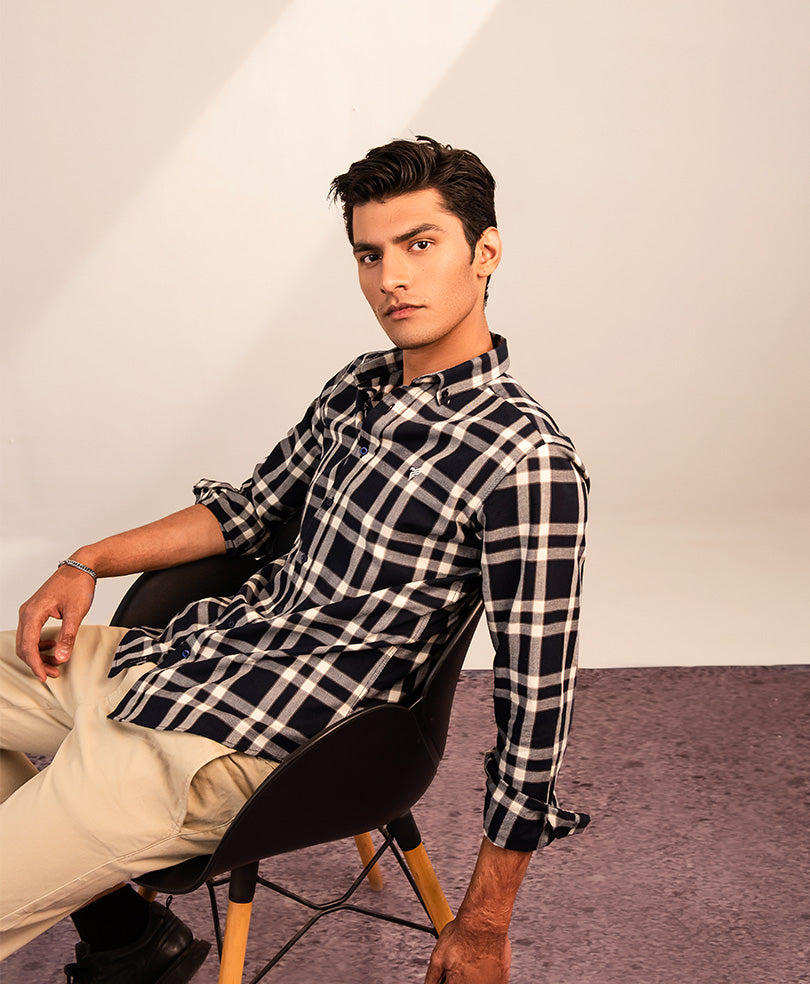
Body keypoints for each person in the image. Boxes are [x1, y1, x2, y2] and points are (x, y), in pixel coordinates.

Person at [0, 136, 589, 983]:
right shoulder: (360, 385)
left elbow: (536, 708)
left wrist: (486, 923)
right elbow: (249, 511)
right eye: (370, 255)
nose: (391, 279)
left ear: (485, 252)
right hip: (184, 656)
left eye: (421, 244)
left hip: (243, 745)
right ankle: (125, 935)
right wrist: (85, 562)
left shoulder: (527, 464)